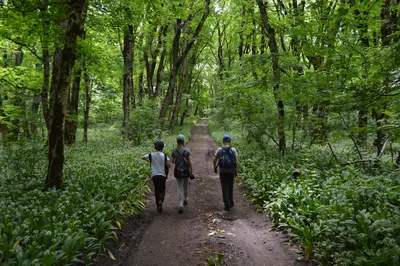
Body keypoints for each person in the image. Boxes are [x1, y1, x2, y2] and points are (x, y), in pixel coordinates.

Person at [141, 140, 170, 213]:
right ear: (162, 148)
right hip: (162, 175)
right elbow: (168, 164)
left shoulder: (150, 155)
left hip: (154, 175)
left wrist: (149, 161)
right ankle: (161, 200)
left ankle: (158, 204)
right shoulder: (164, 155)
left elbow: (142, 157)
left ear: (155, 147)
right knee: (162, 189)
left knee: (156, 189)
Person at [213, 134, 238, 211]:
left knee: (224, 187)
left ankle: (226, 203)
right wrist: (236, 171)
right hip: (231, 171)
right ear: (230, 141)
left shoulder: (220, 150)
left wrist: (215, 168)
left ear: (223, 141)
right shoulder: (233, 150)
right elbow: (236, 161)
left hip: (223, 171)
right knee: (230, 186)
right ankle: (231, 202)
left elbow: (214, 160)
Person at [171, 134, 194, 214]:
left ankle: (180, 204)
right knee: (185, 185)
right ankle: (186, 198)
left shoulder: (174, 151)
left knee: (179, 187)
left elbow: (173, 161)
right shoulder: (187, 151)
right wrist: (192, 171)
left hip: (177, 171)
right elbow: (190, 162)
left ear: (177, 142)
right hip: (186, 171)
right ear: (183, 141)